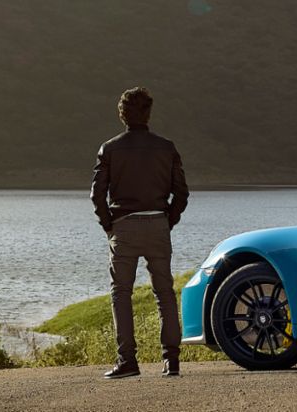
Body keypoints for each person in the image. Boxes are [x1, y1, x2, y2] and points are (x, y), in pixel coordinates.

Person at [90, 87, 189, 379]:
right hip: (158, 224)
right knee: (164, 293)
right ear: (149, 113)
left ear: (122, 115)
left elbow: (97, 195)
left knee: (121, 293)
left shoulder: (109, 148)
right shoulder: (167, 147)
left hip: (124, 227)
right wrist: (167, 220)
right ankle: (171, 362)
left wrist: (109, 224)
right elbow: (181, 193)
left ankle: (127, 362)